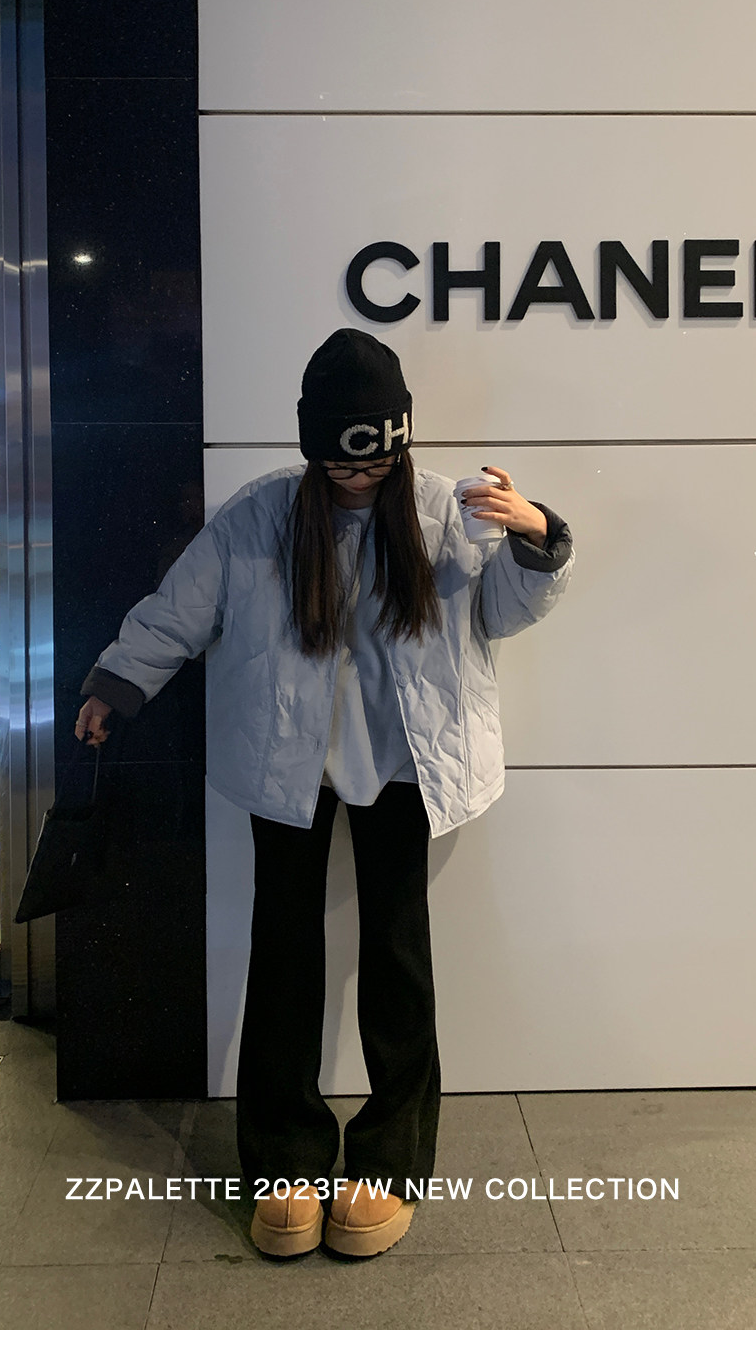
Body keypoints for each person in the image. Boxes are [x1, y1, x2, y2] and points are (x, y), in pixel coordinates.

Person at [75, 329, 574, 1259]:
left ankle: (390, 1162)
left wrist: (536, 537)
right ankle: (285, 1162)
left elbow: (501, 615)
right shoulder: (260, 515)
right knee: (283, 960)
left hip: (406, 768)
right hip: (285, 768)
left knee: (397, 961)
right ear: (312, 445)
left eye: (376, 456)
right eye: (342, 458)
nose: (359, 475)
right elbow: (179, 610)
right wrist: (117, 685)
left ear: (400, 439)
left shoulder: (443, 511)